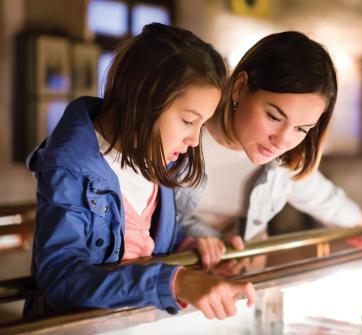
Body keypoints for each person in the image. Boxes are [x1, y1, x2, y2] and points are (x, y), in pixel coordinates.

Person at [24, 23, 255, 321]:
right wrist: (176, 281)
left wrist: (190, 247)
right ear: (143, 100)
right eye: (188, 121)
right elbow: (61, 275)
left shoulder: (158, 157)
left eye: (202, 124)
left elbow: (143, 240)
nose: (195, 140)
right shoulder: (69, 168)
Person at [175, 31, 362, 269]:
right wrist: (199, 241)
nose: (282, 141)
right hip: (177, 277)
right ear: (240, 87)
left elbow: (321, 196)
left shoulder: (286, 161)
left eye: (302, 129)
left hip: (242, 280)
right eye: (273, 116)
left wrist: (361, 223)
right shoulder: (181, 138)